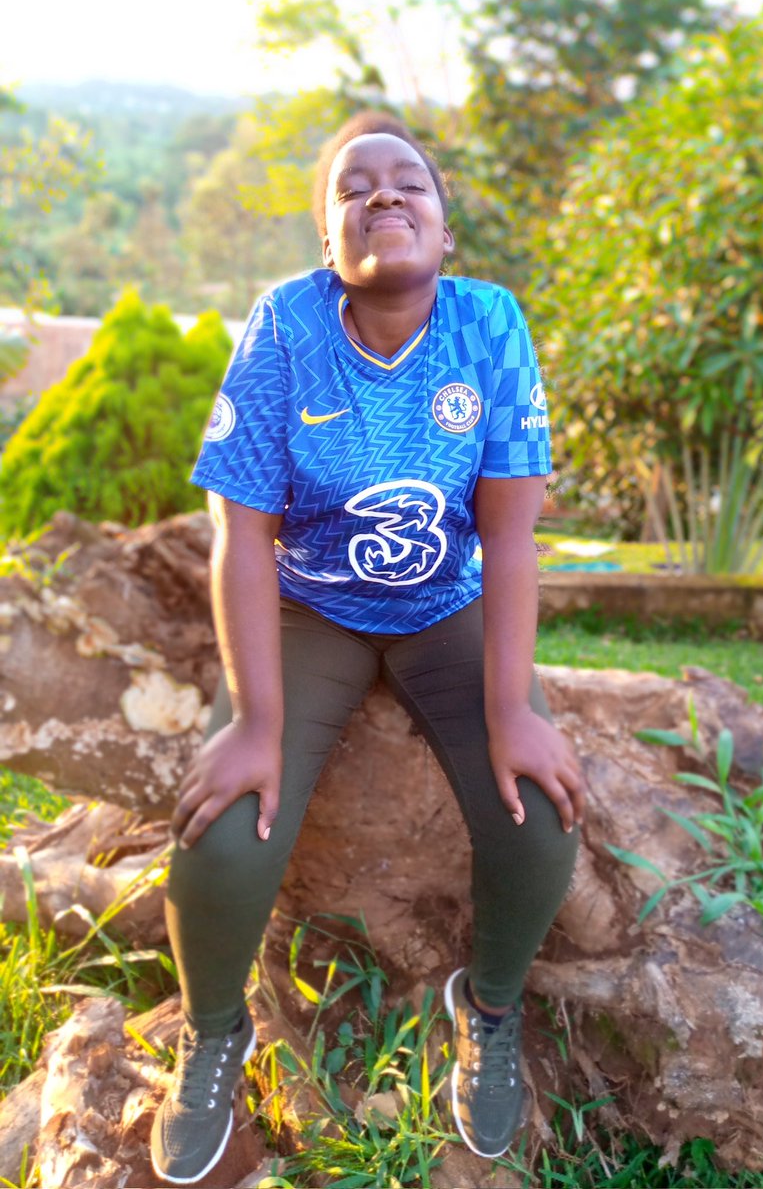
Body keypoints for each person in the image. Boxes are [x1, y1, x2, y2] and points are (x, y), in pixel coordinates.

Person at [150, 111, 584, 1186]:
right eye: (357, 189)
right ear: (329, 241)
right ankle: (214, 1034)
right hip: (312, 611)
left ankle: (483, 1006)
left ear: (445, 231)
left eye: (410, 186)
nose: (385, 198)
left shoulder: (489, 325)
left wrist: (513, 708)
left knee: (540, 826)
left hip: (448, 606)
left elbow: (511, 531)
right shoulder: (285, 327)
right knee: (222, 840)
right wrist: (255, 721)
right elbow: (241, 528)